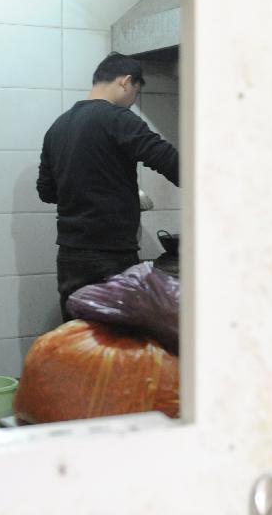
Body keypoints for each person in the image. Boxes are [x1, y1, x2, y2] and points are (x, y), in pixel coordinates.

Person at [36, 52, 179, 321]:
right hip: (111, 258)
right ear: (126, 82)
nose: (132, 101)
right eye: (135, 93)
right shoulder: (118, 119)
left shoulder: (58, 127)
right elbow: (172, 163)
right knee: (113, 350)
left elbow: (46, 191)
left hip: (70, 257)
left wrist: (87, 191)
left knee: (78, 341)